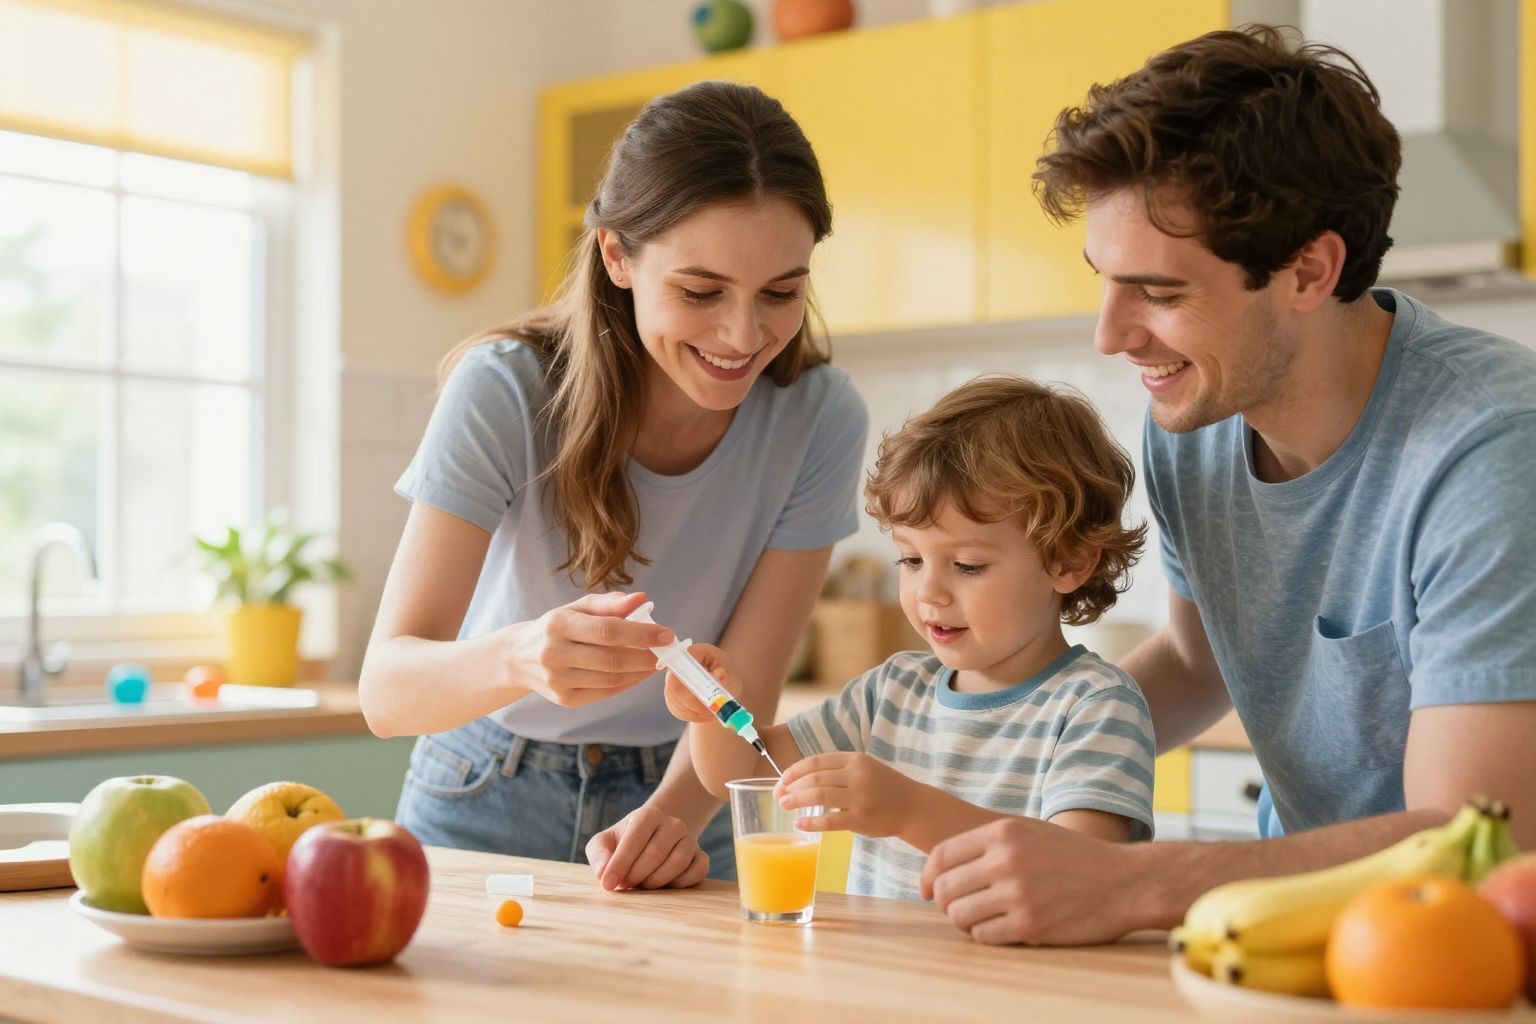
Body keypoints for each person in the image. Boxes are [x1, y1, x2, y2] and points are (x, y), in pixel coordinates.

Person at [920, 25, 1536, 946]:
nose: (1112, 335)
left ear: (1309, 270)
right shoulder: (1197, 425)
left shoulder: (1489, 452)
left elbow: (1479, 834)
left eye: (1158, 294)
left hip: (1471, 950)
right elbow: (1196, 662)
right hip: (1285, 935)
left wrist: (1132, 882)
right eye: (1104, 282)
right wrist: (991, 759)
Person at [358, 80, 868, 891]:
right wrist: (523, 657)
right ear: (616, 255)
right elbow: (386, 691)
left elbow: (748, 695)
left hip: (690, 800)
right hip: (482, 795)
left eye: (781, 293)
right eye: (700, 292)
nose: (743, 337)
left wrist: (674, 812)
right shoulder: (508, 389)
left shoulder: (818, 417)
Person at [666, 376, 1155, 900]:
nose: (929, 592)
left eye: (967, 565)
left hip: (1018, 981)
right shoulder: (892, 691)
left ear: (1070, 562)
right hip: (887, 977)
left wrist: (911, 811)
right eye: (911, 559)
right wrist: (711, 710)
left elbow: (1082, 875)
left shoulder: (1095, 707)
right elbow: (738, 771)